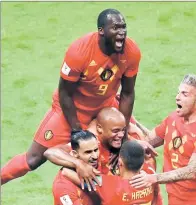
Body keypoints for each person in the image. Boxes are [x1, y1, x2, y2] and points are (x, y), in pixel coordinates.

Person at [1, 8, 141, 185]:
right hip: (70, 111)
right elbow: (64, 93)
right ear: (101, 31)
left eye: (124, 28)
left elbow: (128, 93)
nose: (122, 33)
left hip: (103, 112)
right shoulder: (79, 51)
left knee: (117, 155)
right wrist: (77, 130)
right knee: (33, 159)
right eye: (115, 28)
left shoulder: (131, 52)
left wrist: (124, 133)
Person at [130, 74, 196, 205]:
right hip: (175, 199)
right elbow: (149, 140)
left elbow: (191, 171)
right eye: (178, 92)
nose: (177, 97)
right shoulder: (173, 118)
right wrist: (129, 120)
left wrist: (154, 178)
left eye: (184, 94)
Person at [53, 137, 159, 205]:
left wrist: (74, 165)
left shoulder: (111, 185)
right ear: (142, 163)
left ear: (120, 162)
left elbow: (67, 173)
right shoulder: (150, 174)